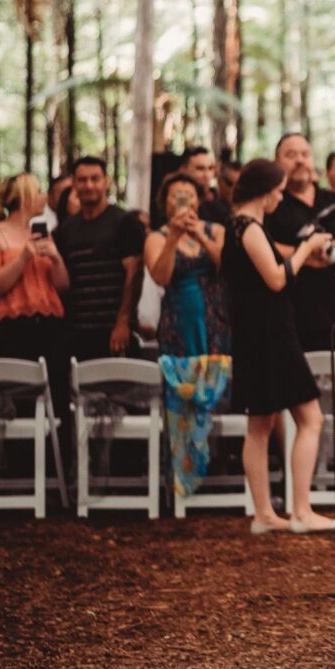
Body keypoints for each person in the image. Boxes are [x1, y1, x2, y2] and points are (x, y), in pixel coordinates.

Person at [222, 159, 335, 534]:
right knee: (311, 419)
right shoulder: (248, 226)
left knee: (260, 424)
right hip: (271, 335)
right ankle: (301, 510)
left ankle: (264, 514)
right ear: (263, 191)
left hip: (255, 334)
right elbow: (276, 279)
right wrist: (306, 248)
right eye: (277, 190)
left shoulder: (239, 226)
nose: (280, 197)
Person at [145, 173, 232, 495]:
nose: (183, 200)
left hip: (216, 324)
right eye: (175, 195)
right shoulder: (156, 237)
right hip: (178, 327)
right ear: (165, 203)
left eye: (189, 194)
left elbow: (228, 267)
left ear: (198, 200)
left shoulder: (216, 230)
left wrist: (200, 236)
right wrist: (174, 237)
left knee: (220, 394)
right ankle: (184, 473)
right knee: (182, 396)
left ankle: (219, 469)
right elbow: (160, 276)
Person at [266, 134, 335, 352]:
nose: (299, 160)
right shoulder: (272, 203)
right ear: (277, 162)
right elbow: (261, 246)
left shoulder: (334, 201)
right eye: (291, 155)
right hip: (290, 318)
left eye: (305, 154)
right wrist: (303, 254)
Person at [54, 156, 145, 361]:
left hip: (115, 333)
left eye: (95, 179)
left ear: (106, 181)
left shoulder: (125, 222)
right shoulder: (65, 229)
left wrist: (123, 322)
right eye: (82, 180)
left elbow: (134, 274)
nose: (89, 185)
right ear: (74, 184)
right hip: (77, 332)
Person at [0, 174, 69, 367]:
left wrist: (56, 258)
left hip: (49, 326)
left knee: (56, 383)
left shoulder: (43, 234)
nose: (44, 196)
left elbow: (62, 286)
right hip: (10, 329)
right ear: (26, 197)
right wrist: (22, 258)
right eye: (39, 191)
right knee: (15, 385)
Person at [180, 146, 231, 225]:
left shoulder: (221, 199)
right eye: (200, 169)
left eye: (210, 168)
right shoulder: (179, 197)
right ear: (183, 170)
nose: (207, 175)